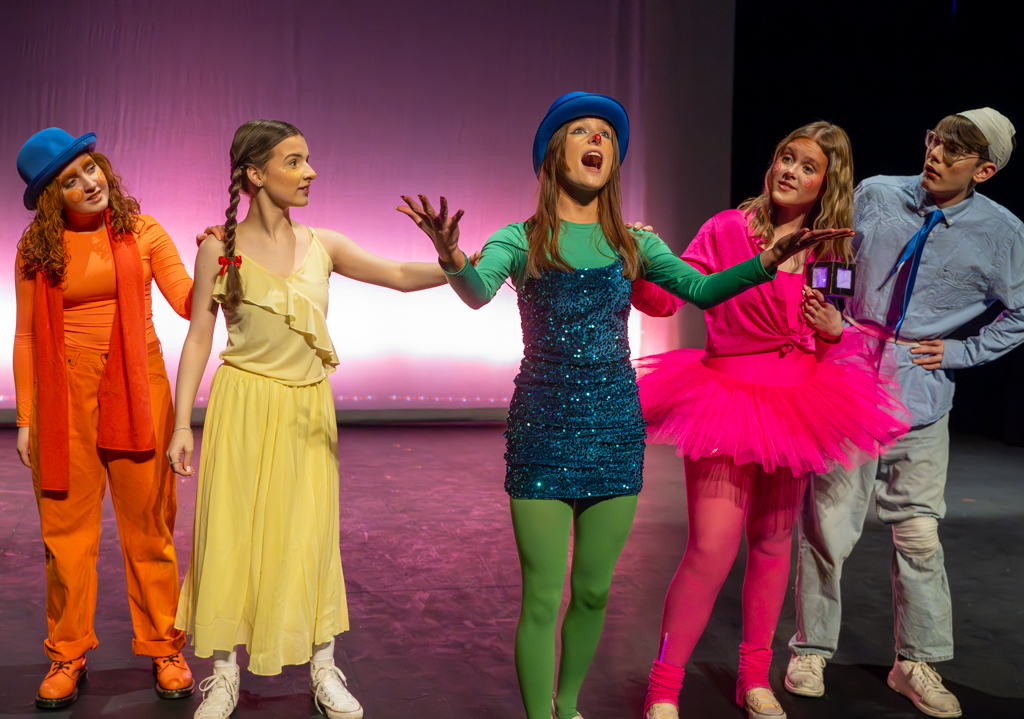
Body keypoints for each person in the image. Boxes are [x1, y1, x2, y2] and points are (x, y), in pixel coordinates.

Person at [397, 92, 843, 719]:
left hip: (613, 424)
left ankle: (570, 706)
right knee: (544, 597)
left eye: (606, 133)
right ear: (555, 153)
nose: (596, 140)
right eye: (581, 130)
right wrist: (450, 258)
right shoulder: (518, 238)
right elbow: (475, 293)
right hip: (544, 427)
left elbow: (701, 288)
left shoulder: (634, 242)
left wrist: (766, 262)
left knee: (594, 591)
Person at [168, 119, 456, 719]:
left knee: (310, 536)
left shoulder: (323, 244)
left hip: (305, 404)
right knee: (231, 534)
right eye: (295, 161)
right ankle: (222, 674)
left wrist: (460, 260)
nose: (310, 172)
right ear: (255, 174)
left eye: (307, 160)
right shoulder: (218, 248)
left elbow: (400, 276)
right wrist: (180, 424)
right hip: (243, 404)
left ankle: (322, 667)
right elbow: (198, 337)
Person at [631, 122, 910, 719]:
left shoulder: (830, 252)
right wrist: (641, 264)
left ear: (826, 184)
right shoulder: (728, 228)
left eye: (807, 166)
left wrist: (836, 335)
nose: (790, 171)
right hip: (726, 400)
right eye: (786, 157)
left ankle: (754, 677)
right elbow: (666, 299)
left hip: (797, 407)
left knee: (774, 544)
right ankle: (663, 685)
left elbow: (827, 337)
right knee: (710, 548)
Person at [785, 109, 1023, 719]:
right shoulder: (878, 193)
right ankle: (810, 646)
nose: (938, 153)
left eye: (956, 150)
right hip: (851, 378)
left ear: (985, 170)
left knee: (919, 534)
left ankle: (916, 662)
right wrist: (833, 319)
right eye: (936, 139)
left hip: (920, 396)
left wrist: (964, 350)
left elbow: (1020, 312)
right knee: (827, 526)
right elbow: (834, 252)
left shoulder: (1002, 232)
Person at [13, 128, 195, 708]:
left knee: (149, 527)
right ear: (53, 197)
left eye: (90, 168)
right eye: (71, 180)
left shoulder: (143, 233)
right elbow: (22, 335)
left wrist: (224, 266)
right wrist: (24, 417)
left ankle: (165, 646)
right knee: (65, 535)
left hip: (137, 388)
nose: (88, 183)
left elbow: (191, 302)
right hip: (62, 395)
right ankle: (67, 654)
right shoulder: (36, 248)